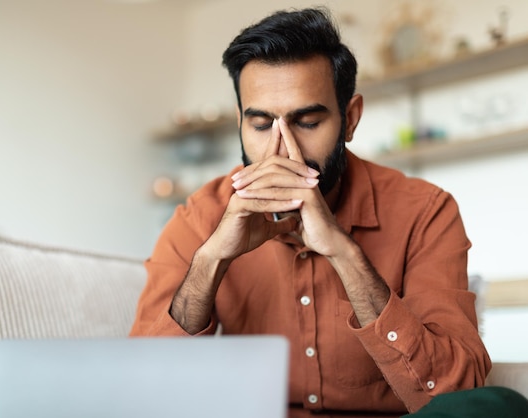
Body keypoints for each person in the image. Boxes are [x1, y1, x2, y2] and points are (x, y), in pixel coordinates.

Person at [130, 6, 528, 418]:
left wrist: (345, 253)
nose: (283, 151)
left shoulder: (425, 211)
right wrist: (211, 260)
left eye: (307, 121)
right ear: (240, 123)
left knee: (500, 409)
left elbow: (455, 394)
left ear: (350, 119)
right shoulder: (200, 217)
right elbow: (142, 388)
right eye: (262, 124)